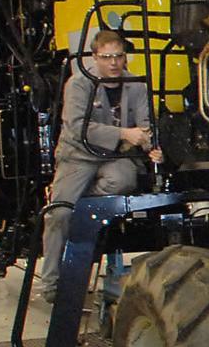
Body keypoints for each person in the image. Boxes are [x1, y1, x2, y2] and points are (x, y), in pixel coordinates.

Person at [39, 27, 159, 302]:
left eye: (118, 56)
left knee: (124, 180)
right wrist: (123, 134)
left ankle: (84, 199)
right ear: (95, 57)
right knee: (58, 215)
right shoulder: (79, 84)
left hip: (115, 156)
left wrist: (151, 146)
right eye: (107, 57)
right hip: (79, 154)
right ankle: (51, 283)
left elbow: (145, 125)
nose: (114, 62)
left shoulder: (136, 84)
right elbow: (78, 127)